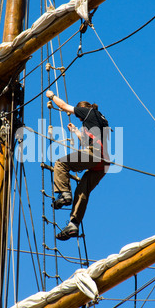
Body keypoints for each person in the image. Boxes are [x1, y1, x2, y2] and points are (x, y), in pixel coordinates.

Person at [45, 90, 110, 241]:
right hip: (103, 162)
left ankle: (64, 193)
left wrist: (52, 96)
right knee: (82, 190)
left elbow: (64, 106)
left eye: (79, 117)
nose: (79, 119)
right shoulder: (101, 118)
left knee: (61, 163)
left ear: (82, 110)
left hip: (95, 154)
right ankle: (73, 225)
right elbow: (91, 140)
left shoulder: (87, 111)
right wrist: (75, 131)